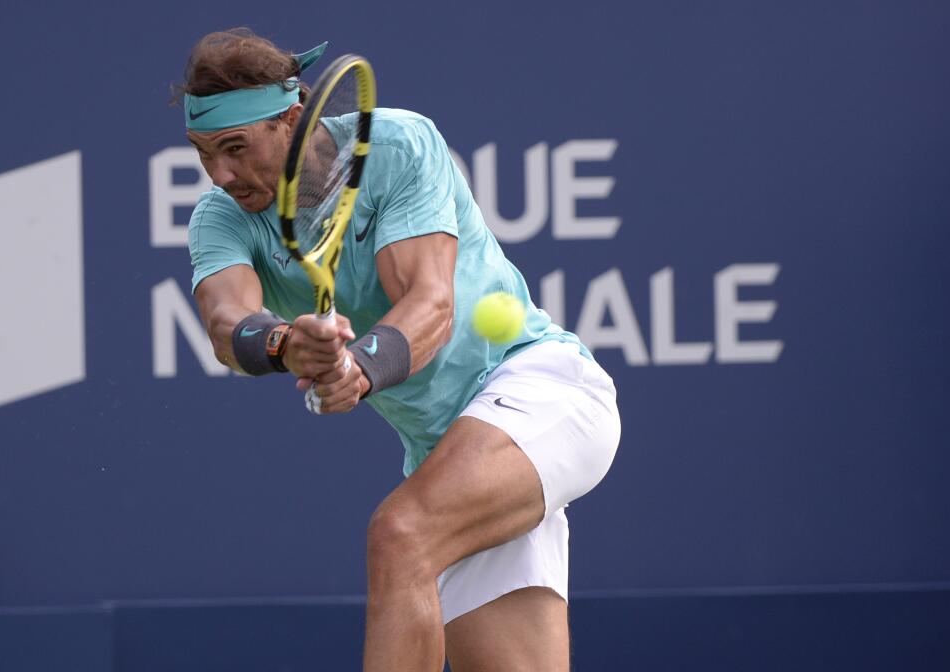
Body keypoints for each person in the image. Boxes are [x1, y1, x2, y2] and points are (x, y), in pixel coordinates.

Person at [178, 28, 620, 672]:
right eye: (203, 154)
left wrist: (358, 367)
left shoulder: (395, 144)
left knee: (401, 535)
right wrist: (284, 344)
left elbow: (429, 303)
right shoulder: (220, 217)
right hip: (448, 453)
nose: (220, 173)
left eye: (236, 148)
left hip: (543, 388)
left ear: (292, 121)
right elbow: (226, 322)